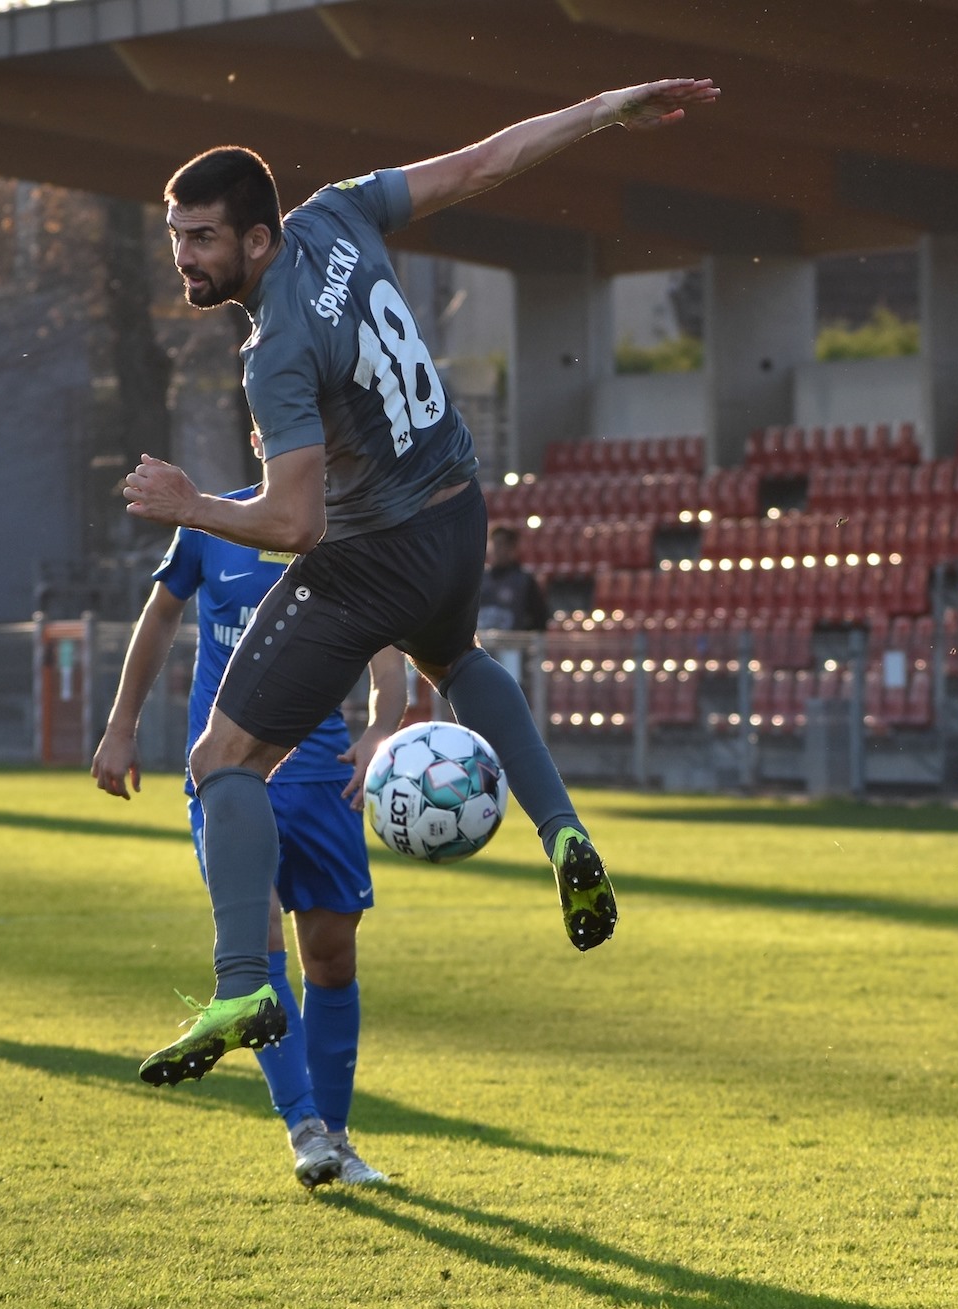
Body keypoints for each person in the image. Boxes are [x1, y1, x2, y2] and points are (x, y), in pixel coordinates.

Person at [121, 77, 719, 1086]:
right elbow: (483, 161)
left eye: (204, 239)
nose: (185, 255)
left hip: (369, 553)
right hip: (456, 504)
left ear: (258, 241)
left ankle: (241, 982)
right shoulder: (341, 211)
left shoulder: (274, 352)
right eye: (177, 235)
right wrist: (600, 111)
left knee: (220, 760)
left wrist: (190, 504)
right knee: (457, 656)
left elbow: (294, 522)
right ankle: (562, 828)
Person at [91, 447, 404, 1187]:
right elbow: (159, 619)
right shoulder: (209, 520)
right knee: (256, 932)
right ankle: (303, 1127)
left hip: (323, 774)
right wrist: (120, 724)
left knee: (330, 953)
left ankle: (337, 1130)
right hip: (228, 773)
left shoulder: (348, 529)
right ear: (262, 440)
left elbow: (388, 659)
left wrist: (379, 726)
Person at [477, 524, 549, 633]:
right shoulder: (479, 578)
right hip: (482, 643)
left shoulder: (525, 580)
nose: (495, 549)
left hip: (512, 645)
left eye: (501, 544)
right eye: (493, 543)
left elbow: (539, 619)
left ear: (512, 548)